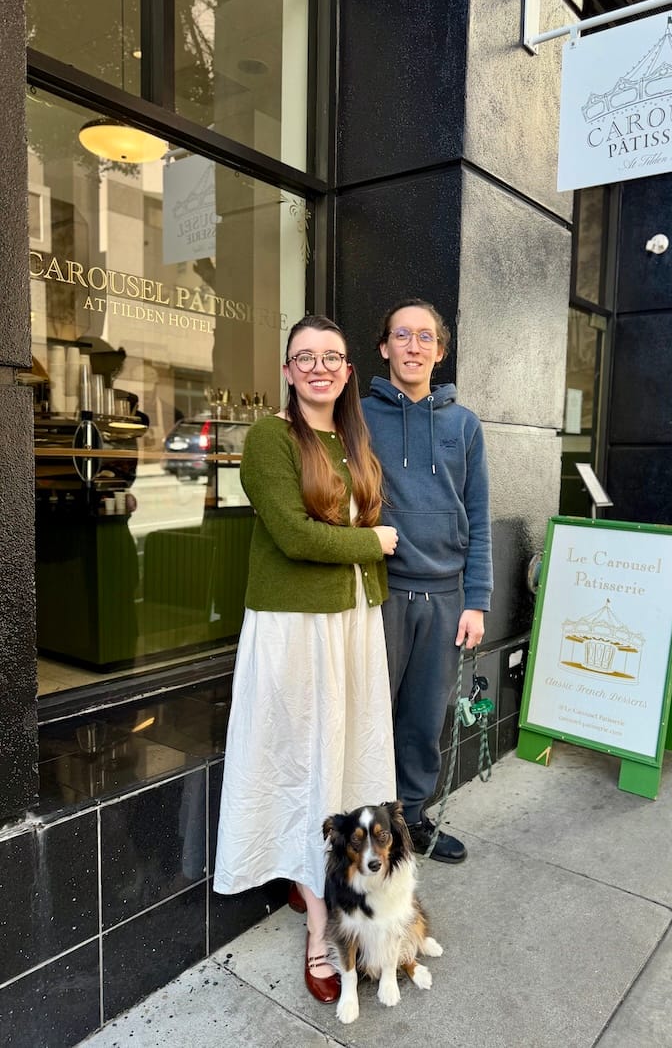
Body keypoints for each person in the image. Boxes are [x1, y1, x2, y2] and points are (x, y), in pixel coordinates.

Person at [213, 315, 398, 1005]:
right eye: (304, 357)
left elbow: (343, 530)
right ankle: (321, 934)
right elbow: (293, 535)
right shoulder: (269, 436)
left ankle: (316, 875)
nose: (318, 367)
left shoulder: (352, 439)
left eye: (331, 357)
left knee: (344, 764)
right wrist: (375, 542)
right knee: (308, 766)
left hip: (352, 625)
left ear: (348, 371)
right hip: (297, 630)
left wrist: (368, 557)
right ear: (286, 371)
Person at [362, 299, 493, 865]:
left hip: (445, 599)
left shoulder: (464, 425)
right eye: (402, 335)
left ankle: (412, 819)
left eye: (425, 337)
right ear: (384, 347)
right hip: (380, 593)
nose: (413, 346)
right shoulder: (358, 418)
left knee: (423, 718)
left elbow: (479, 515)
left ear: (440, 351)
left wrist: (477, 600)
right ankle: (367, 827)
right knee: (371, 714)